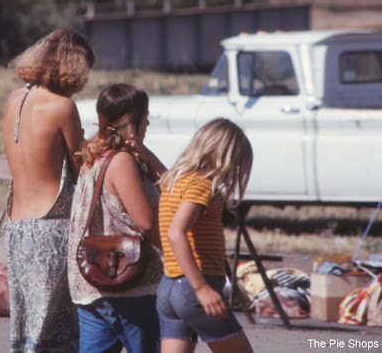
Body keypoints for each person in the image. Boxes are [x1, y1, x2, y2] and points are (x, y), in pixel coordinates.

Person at [1, 29, 94, 352]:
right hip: (51, 226)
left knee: (26, 324)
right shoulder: (62, 107)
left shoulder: (15, 98)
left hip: (15, 225)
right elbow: (83, 166)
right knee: (56, 330)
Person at [67, 83, 166, 353]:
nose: (147, 121)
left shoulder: (92, 156)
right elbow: (146, 222)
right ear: (132, 121)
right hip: (127, 281)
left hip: (93, 280)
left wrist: (151, 160)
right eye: (144, 115)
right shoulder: (121, 161)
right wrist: (176, 255)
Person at [156, 118, 254, 353]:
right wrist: (201, 288)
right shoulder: (201, 185)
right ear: (224, 157)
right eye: (236, 164)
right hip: (194, 284)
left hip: (169, 286)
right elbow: (176, 233)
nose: (234, 171)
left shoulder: (175, 181)